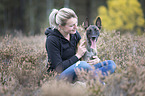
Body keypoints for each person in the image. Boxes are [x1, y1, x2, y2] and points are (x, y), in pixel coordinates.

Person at [45, 8, 116, 83]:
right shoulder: (52, 40)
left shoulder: (74, 34)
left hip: (79, 70)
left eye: (76, 23)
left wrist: (96, 60)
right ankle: (99, 84)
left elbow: (85, 54)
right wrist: (77, 56)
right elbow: (58, 68)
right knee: (83, 65)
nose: (76, 27)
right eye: (72, 25)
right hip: (60, 76)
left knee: (111, 64)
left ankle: (88, 81)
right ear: (61, 26)